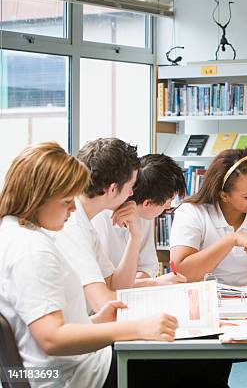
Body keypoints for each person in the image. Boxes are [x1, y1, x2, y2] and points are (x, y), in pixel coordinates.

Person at [0, 142, 178, 388]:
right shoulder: (32, 249)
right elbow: (51, 338)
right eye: (66, 201)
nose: (73, 207)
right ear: (40, 197)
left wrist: (94, 323)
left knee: (190, 365)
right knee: (190, 365)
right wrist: (136, 328)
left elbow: (39, 328)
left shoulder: (16, 232)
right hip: (72, 376)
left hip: (72, 366)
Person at [170, 149, 247, 284]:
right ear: (224, 196)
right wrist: (231, 240)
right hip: (204, 301)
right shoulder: (191, 212)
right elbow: (181, 274)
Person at [54, 138, 141, 313]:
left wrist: (135, 237)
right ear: (113, 189)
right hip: (72, 332)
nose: (132, 193)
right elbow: (103, 305)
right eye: (131, 186)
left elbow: (115, 286)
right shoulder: (72, 226)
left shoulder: (85, 221)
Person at [92, 154, 187, 287]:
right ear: (147, 203)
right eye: (168, 201)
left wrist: (139, 280)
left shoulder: (144, 216)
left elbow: (148, 266)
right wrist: (153, 283)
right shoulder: (100, 219)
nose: (169, 206)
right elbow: (107, 285)